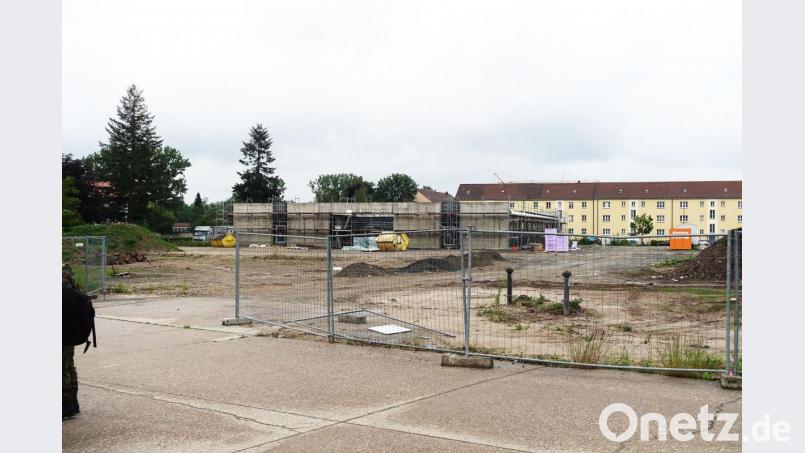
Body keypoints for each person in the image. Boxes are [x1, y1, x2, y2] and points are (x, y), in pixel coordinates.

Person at [62, 266, 95, 419]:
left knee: (62, 371)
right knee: (69, 368)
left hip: (63, 338)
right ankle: (73, 404)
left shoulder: (63, 295)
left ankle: (65, 407)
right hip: (70, 338)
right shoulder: (76, 293)